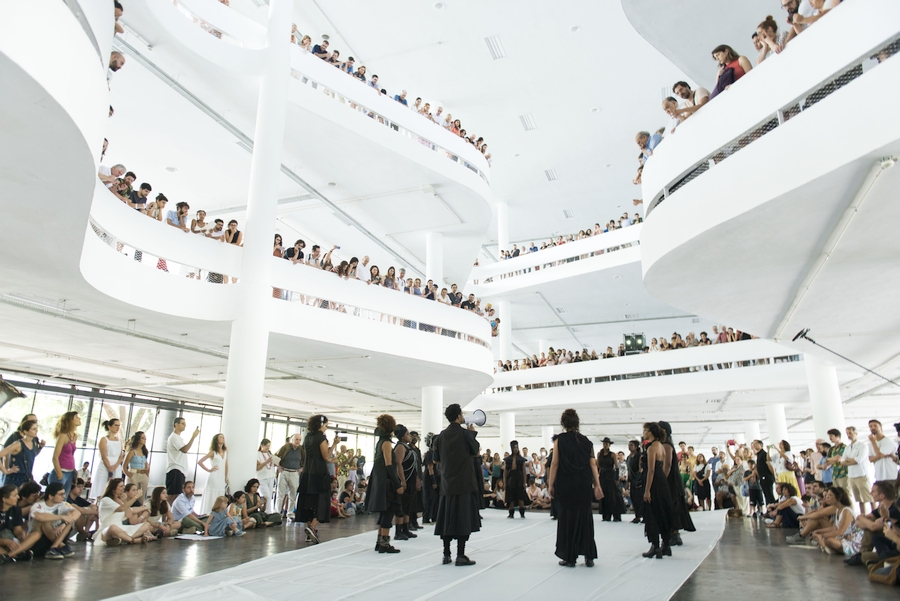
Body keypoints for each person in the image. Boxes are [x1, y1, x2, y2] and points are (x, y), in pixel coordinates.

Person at [548, 409, 601, 567]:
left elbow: (555, 463)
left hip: (566, 483)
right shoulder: (587, 441)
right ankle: (589, 556)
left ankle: (570, 557)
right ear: (577, 422)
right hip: (583, 483)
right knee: (585, 518)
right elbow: (593, 464)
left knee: (567, 519)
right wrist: (597, 485)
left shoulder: (559, 440)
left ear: (563, 423)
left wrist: (550, 484)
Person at [433, 404, 481, 566]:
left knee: (447, 519)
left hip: (447, 485)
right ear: (459, 416)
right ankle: (461, 555)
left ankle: (446, 554)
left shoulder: (441, 436)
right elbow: (475, 452)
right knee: (463, 520)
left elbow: (436, 459)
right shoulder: (465, 434)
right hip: (464, 484)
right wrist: (472, 432)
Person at [295, 415, 336, 544]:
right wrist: (334, 444)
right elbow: (326, 456)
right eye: (325, 426)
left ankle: (310, 529)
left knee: (308, 501)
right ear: (320, 425)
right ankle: (312, 527)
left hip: (307, 473)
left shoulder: (307, 437)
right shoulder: (320, 438)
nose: (326, 428)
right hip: (319, 473)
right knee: (321, 501)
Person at [367, 414, 402, 553]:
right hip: (387, 483)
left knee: (384, 513)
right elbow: (389, 464)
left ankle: (380, 542)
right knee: (388, 512)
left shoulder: (380, 442)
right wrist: (397, 483)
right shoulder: (386, 443)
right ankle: (385, 543)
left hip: (380, 480)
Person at [641, 423, 675, 559]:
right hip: (662, 481)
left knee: (652, 512)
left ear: (650, 432)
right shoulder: (661, 446)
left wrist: (647, 490)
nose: (643, 432)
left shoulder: (652, 448)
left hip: (654, 482)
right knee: (663, 510)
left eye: (645, 430)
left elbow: (651, 470)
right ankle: (665, 545)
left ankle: (655, 546)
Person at [658, 422, 695, 545]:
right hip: (669, 479)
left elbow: (667, 465)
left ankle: (674, 534)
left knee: (672, 505)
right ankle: (673, 533)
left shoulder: (667, 445)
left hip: (670, 481)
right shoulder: (663, 444)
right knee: (670, 505)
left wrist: (662, 480)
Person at [94, 479, 155, 546]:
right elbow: (121, 508)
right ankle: (133, 540)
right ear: (113, 489)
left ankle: (121, 538)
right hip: (107, 529)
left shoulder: (120, 500)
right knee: (113, 528)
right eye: (121, 486)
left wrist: (124, 501)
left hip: (121, 528)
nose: (123, 488)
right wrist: (136, 496)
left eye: (123, 486)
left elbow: (128, 515)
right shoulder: (106, 500)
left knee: (146, 525)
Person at [0, 484, 44, 563]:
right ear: (4, 499)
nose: (18, 497)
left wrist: (21, 534)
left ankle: (8, 556)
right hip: (2, 540)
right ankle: (16, 555)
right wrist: (5, 541)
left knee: (36, 534)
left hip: (10, 538)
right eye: (15, 495)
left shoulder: (16, 509)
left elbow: (17, 529)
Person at [166, 417, 200, 505]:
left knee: (178, 495)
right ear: (176, 425)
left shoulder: (178, 438)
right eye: (182, 423)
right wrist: (193, 437)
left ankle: (173, 515)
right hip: (175, 469)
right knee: (173, 495)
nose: (185, 425)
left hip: (180, 469)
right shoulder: (174, 437)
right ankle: (167, 516)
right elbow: (184, 449)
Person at [393, 425, 419, 540]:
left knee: (408, 504)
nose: (410, 436)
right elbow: (398, 464)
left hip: (411, 479)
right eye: (408, 434)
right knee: (402, 505)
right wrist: (402, 481)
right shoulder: (400, 447)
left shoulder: (407, 447)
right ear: (402, 436)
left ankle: (406, 528)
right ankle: (399, 530)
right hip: (405, 479)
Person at [841, 426, 874, 515]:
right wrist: (851, 460)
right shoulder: (848, 447)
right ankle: (863, 515)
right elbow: (842, 461)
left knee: (869, 498)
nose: (848, 435)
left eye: (850, 433)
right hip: (852, 476)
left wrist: (849, 460)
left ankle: (875, 514)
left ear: (856, 433)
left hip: (862, 475)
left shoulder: (862, 446)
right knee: (859, 499)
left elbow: (858, 460)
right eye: (847, 433)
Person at [48, 412, 81, 498]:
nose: (79, 418)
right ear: (70, 420)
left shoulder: (74, 436)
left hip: (70, 473)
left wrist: (74, 470)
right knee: (56, 499)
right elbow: (55, 457)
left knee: (64, 500)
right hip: (61, 472)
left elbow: (71, 455)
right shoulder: (63, 435)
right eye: (76, 417)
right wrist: (59, 474)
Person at [90, 419, 124, 500]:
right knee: (102, 487)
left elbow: (120, 456)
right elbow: (104, 456)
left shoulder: (119, 440)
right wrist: (109, 467)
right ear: (109, 426)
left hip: (116, 466)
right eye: (116, 425)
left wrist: (115, 466)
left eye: (119, 425)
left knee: (116, 487)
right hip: (105, 466)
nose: (117, 427)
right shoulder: (104, 439)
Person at [0, 419, 39, 488]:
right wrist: (5, 471)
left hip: (27, 478)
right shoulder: (18, 444)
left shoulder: (34, 443)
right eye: (34, 429)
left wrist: (40, 447)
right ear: (26, 431)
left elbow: (31, 456)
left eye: (37, 428)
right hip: (15, 478)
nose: (37, 430)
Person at [198, 433, 229, 515]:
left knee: (220, 494)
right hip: (214, 476)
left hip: (221, 478)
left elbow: (226, 464)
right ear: (216, 440)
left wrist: (226, 477)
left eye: (223, 437)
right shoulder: (213, 452)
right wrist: (209, 470)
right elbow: (200, 462)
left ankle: (219, 514)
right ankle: (208, 513)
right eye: (221, 437)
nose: (223, 438)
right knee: (213, 495)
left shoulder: (225, 451)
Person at [275, 434, 304, 518]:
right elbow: (275, 456)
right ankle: (277, 512)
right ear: (292, 440)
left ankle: (290, 512)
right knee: (280, 493)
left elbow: (305, 460)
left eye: (299, 440)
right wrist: (278, 466)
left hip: (294, 472)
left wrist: (301, 468)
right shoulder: (286, 447)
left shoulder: (301, 449)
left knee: (293, 493)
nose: (298, 441)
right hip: (284, 471)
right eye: (296, 439)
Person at [597, 437, 624, 521]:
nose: (605, 445)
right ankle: (606, 515)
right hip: (602, 475)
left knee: (612, 495)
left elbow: (616, 467)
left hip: (611, 475)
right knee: (603, 495)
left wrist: (616, 478)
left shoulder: (612, 454)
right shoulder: (599, 454)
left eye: (607, 444)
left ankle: (616, 515)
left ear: (609, 445)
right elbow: (598, 466)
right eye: (604, 443)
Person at [868, 420, 899, 484]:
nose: (872, 428)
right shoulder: (870, 443)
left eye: (875, 426)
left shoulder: (888, 441)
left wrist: (873, 442)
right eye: (870, 426)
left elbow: (880, 455)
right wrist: (879, 456)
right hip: (879, 476)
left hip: (890, 475)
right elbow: (870, 459)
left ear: (881, 427)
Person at [503, 441, 528, 519]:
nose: (516, 449)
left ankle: (522, 513)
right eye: (514, 447)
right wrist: (505, 482)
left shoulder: (521, 459)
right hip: (511, 478)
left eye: (517, 447)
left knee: (520, 496)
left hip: (519, 478)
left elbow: (524, 471)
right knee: (511, 496)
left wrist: (524, 482)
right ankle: (511, 513)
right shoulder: (508, 459)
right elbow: (505, 471)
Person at [123, 431, 150, 503]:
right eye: (142, 438)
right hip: (134, 473)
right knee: (131, 496)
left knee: (141, 497)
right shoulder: (132, 451)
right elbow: (124, 467)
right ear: (138, 439)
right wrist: (130, 476)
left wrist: (147, 475)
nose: (144, 440)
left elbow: (145, 463)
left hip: (143, 475)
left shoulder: (144, 451)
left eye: (145, 438)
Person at [422, 433, 440, 524]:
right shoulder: (430, 454)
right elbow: (430, 468)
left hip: (436, 478)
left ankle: (434, 517)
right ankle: (426, 518)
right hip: (429, 479)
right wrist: (433, 480)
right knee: (429, 498)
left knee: (435, 499)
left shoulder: (435, 453)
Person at [256, 439, 277, 512]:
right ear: (262, 445)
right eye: (266, 446)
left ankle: (269, 511)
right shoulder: (258, 454)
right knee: (266, 496)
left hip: (271, 476)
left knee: (270, 495)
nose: (268, 447)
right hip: (262, 478)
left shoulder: (269, 454)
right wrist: (266, 462)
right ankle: (267, 512)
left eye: (269, 446)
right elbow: (258, 468)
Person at [627, 440, 643, 523]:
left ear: (636, 447)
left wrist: (638, 479)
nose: (629, 447)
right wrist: (628, 481)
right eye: (629, 445)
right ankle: (637, 516)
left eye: (631, 445)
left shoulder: (639, 456)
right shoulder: (628, 457)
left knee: (639, 498)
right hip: (632, 479)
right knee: (633, 497)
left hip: (639, 479)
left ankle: (644, 516)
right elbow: (628, 470)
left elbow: (640, 469)